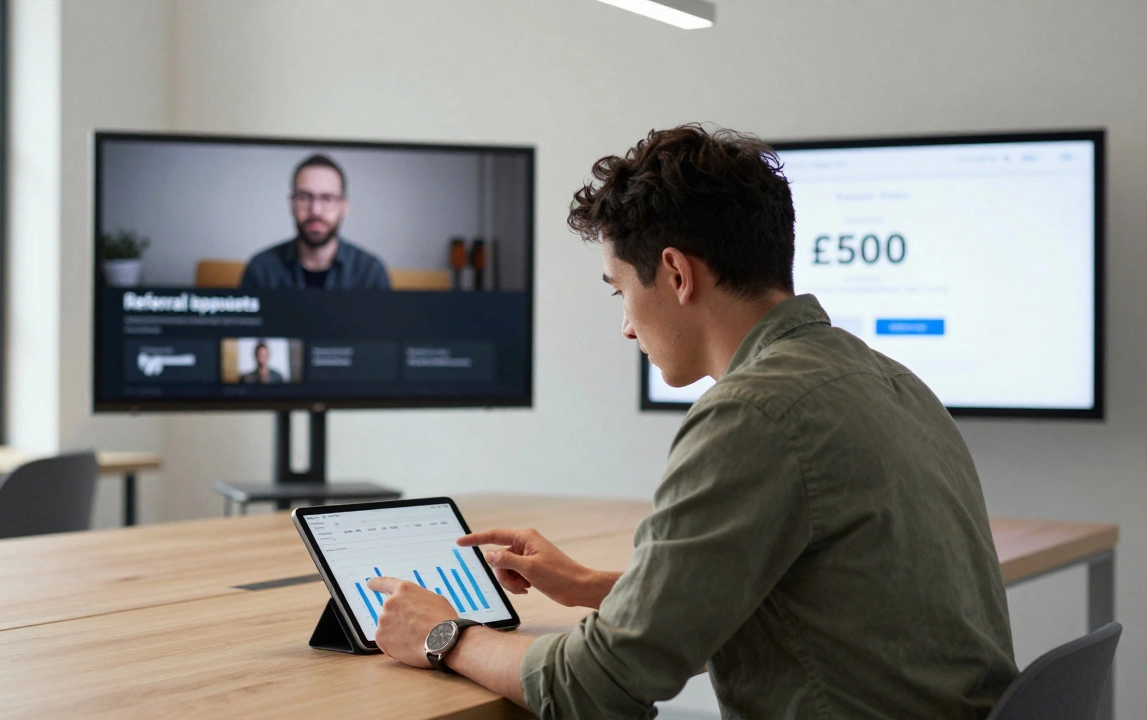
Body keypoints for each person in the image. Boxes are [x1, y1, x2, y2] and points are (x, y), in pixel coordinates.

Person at [365, 125, 1018, 719]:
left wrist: (445, 635)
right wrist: (595, 588)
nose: (625, 325)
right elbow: (808, 600)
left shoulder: (753, 414)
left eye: (620, 289)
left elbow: (596, 688)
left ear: (676, 273)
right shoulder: (895, 382)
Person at [239, 154, 391, 290]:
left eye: (327, 198)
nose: (315, 211)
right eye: (304, 197)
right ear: (292, 204)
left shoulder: (370, 272)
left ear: (344, 206)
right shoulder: (261, 269)